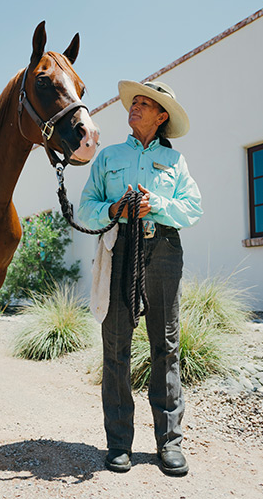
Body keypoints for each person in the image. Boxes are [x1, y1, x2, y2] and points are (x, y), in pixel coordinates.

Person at [77, 80, 202, 476]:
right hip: (120, 250)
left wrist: (156, 204)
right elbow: (86, 208)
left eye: (145, 104)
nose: (134, 107)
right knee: (116, 346)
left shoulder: (176, 161)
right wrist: (114, 208)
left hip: (163, 251)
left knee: (165, 345)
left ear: (161, 116)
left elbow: (192, 208)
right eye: (134, 102)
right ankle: (118, 444)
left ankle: (170, 443)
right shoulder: (108, 156)